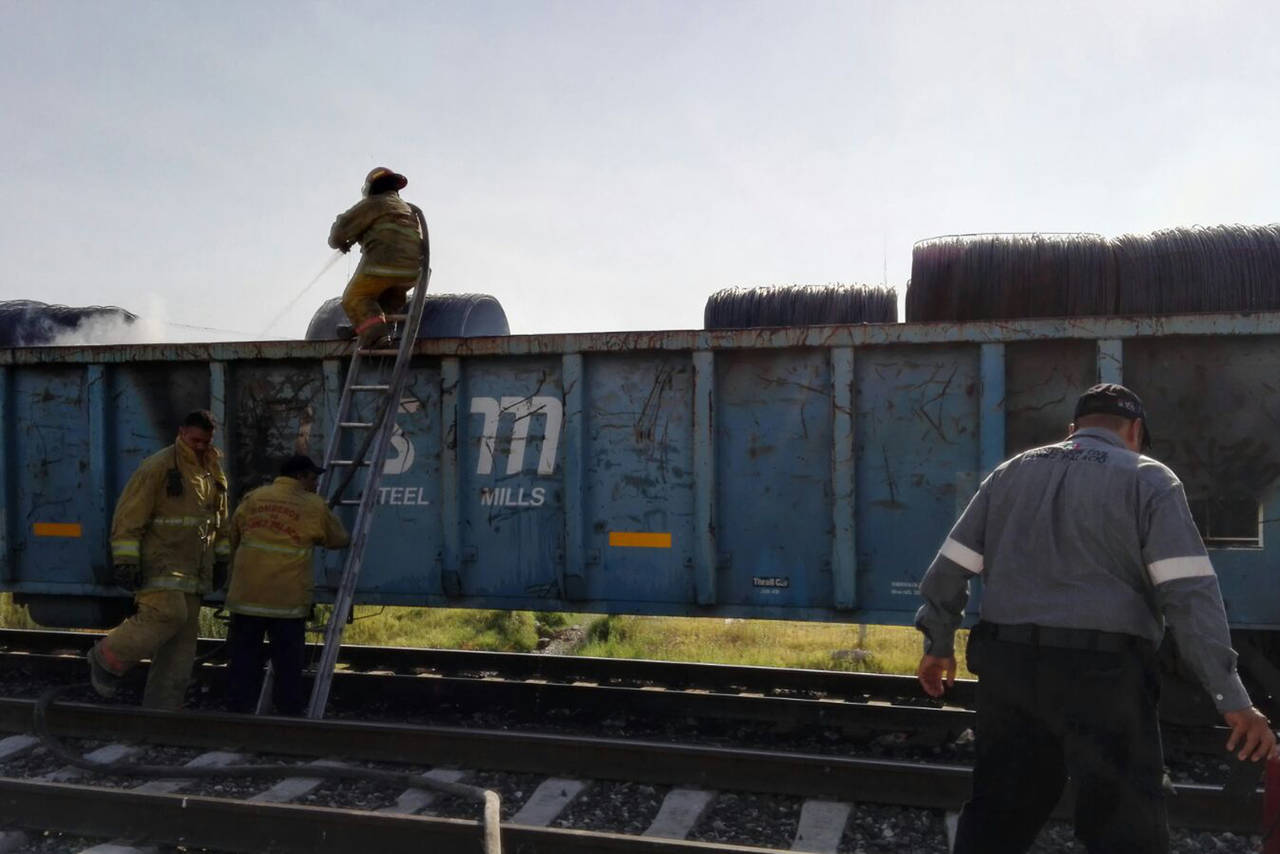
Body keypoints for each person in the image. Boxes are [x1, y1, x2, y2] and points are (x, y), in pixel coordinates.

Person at [914, 383, 1277, 853]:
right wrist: (1231, 697)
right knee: (1124, 827)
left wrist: (938, 644)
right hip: (1105, 676)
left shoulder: (1011, 473)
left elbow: (948, 570)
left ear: (1073, 429)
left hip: (1009, 667)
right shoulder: (1150, 479)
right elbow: (1189, 597)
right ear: (1135, 431)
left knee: (997, 815)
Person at [88, 410, 231, 709]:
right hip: (160, 562)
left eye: (205, 441)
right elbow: (129, 517)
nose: (200, 446)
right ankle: (106, 658)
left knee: (181, 647)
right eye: (195, 440)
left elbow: (219, 522)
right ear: (181, 433)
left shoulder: (212, 471)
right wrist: (126, 561)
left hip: (194, 569)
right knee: (169, 614)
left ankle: (162, 710)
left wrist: (221, 560)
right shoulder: (158, 467)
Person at [224, 454, 349, 715]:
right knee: (288, 663)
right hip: (286, 601)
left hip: (246, 597)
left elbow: (233, 535)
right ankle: (288, 712)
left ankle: (237, 711)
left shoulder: (254, 498)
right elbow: (338, 539)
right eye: (312, 478)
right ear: (299, 477)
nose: (315, 484)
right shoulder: (313, 505)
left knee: (243, 658)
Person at [328, 166, 424, 348]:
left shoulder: (373, 204)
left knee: (355, 297)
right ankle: (364, 326)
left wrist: (337, 242)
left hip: (381, 267)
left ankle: (375, 334)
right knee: (388, 299)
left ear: (371, 188)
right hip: (411, 273)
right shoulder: (406, 209)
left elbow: (342, 227)